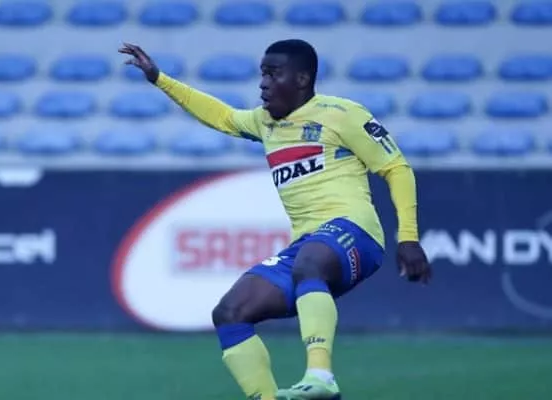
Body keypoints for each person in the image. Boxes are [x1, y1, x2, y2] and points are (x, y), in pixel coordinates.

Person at [119, 39, 432, 400]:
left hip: (355, 231)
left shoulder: (342, 114)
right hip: (307, 245)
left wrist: (408, 238)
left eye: (273, 74)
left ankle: (321, 377)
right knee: (230, 312)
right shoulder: (265, 123)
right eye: (262, 74)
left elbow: (396, 168)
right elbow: (221, 116)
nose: (263, 84)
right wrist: (159, 78)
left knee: (309, 263)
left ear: (302, 79)